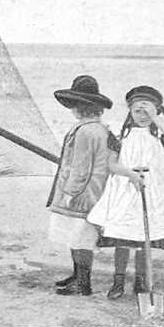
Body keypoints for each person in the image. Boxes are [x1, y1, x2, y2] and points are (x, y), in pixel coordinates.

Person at [87, 85, 164, 299]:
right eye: (138, 110)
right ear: (130, 110)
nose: (143, 115)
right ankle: (118, 281)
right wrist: (131, 175)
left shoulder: (159, 129)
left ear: (157, 111)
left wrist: (157, 117)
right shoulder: (120, 131)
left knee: (144, 237)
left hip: (153, 188)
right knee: (123, 236)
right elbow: (111, 165)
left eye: (148, 111)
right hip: (126, 187)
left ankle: (140, 281)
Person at [46, 75, 115, 296]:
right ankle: (78, 276)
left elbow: (81, 167)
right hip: (95, 189)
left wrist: (70, 192)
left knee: (80, 237)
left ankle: (83, 282)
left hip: (83, 192)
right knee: (79, 236)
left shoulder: (86, 131)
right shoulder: (99, 128)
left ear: (81, 107)